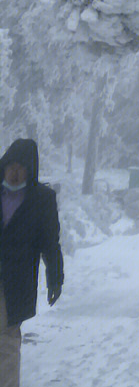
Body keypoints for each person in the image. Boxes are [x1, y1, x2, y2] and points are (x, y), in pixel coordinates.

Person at [0, 139, 63, 387]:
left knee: (6, 342)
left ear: (31, 170)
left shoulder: (42, 199)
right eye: (11, 166)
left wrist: (55, 278)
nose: (15, 173)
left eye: (21, 167)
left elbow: (50, 242)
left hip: (16, 283)